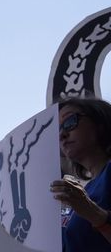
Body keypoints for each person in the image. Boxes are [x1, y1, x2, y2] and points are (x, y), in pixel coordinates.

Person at [51, 97, 111, 251]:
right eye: (56, 131)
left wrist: (96, 216)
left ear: (100, 124)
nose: (61, 135)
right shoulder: (85, 192)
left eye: (70, 122)